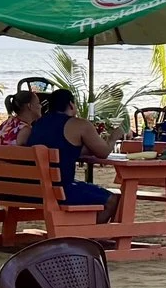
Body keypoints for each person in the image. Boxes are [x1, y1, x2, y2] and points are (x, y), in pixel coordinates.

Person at [25, 89, 118, 220]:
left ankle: (85, 233)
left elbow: (63, 148)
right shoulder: (79, 124)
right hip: (59, 190)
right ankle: (91, 237)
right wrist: (114, 137)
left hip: (32, 188)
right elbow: (103, 152)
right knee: (113, 200)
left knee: (89, 190)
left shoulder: (39, 123)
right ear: (71, 104)